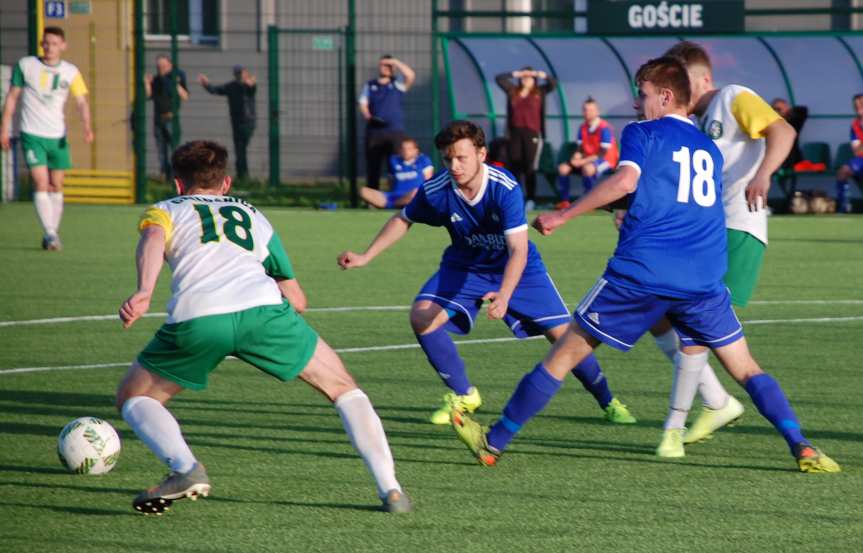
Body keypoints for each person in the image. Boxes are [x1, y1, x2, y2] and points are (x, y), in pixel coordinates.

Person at [452, 57, 840, 475]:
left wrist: (564, 215)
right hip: (703, 277)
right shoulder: (707, 147)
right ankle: (802, 447)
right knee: (747, 368)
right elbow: (668, 193)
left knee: (562, 356)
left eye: (643, 94)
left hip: (643, 272)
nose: (637, 104)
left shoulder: (642, 131)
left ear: (666, 96)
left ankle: (494, 441)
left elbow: (626, 181)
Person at [116, 140, 411, 515]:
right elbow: (297, 299)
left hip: (199, 315)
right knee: (343, 388)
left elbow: (154, 238)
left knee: (134, 397)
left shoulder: (165, 209)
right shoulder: (251, 213)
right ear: (226, 183)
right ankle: (391, 490)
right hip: (264, 310)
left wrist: (144, 291)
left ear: (177, 184)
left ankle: (185, 468)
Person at [337, 120, 635, 427]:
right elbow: (403, 218)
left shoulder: (503, 188)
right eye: (448, 158)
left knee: (564, 339)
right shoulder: (437, 189)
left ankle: (608, 401)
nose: (454, 166)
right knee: (422, 316)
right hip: (465, 265)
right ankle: (464, 394)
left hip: (518, 269)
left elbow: (518, 250)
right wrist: (365, 256)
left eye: (461, 157)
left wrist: (504, 295)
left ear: (481, 153)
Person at [641, 41, 798, 457]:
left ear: (703, 79)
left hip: (737, 228)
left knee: (695, 326)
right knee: (655, 311)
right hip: (704, 234)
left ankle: (674, 427)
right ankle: (716, 401)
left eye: (679, 82)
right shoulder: (692, 127)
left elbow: (783, 130)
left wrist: (763, 174)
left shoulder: (732, 97)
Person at [0, 26, 93, 251]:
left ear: (63, 46)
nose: (49, 47)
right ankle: (50, 233)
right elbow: (12, 97)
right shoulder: (26, 65)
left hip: (57, 135)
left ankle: (52, 230)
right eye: (46, 43)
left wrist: (87, 126)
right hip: (32, 133)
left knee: (57, 184)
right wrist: (4, 127)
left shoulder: (71, 71)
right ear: (41, 44)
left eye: (54, 43)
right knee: (41, 182)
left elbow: (81, 101)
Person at [495, 67, 556, 211]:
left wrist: (542, 75)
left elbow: (553, 84)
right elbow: (499, 78)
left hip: (532, 133)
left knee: (530, 167)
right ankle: (515, 197)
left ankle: (531, 199)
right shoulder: (513, 91)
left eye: (529, 77)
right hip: (515, 133)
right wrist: (516, 73)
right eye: (524, 77)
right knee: (515, 166)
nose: (526, 79)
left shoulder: (539, 92)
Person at [359, 55, 415, 190]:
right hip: (375, 132)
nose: (386, 68)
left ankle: (395, 194)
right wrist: (368, 116)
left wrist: (395, 61)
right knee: (373, 165)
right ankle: (372, 199)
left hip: (394, 131)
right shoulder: (370, 85)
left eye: (389, 66)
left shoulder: (397, 83)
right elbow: (363, 103)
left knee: (395, 165)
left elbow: (410, 75)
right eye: (384, 65)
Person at [556, 97, 619, 208]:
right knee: (563, 168)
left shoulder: (604, 128)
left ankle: (589, 202)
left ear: (597, 111)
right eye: (585, 109)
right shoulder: (583, 127)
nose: (587, 112)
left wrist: (581, 161)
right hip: (587, 160)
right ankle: (564, 201)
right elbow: (580, 148)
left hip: (607, 161)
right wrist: (576, 157)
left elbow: (602, 154)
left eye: (590, 110)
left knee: (587, 168)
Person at [198, 65, 257, 179]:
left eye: (241, 73)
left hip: (248, 121)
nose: (239, 75)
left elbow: (252, 89)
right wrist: (206, 84)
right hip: (236, 121)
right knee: (239, 148)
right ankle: (242, 174)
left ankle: (243, 174)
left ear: (246, 73)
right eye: (237, 73)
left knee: (241, 147)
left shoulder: (248, 86)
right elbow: (216, 90)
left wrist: (251, 84)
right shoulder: (231, 86)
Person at [145, 54, 189, 182]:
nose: (160, 69)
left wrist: (175, 83)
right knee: (161, 149)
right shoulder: (157, 80)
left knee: (174, 148)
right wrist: (147, 83)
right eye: (158, 66)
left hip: (171, 118)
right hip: (158, 119)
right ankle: (165, 174)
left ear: (169, 65)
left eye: (163, 66)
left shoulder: (176, 77)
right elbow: (149, 96)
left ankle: (175, 176)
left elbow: (185, 96)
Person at [359, 137, 432, 209]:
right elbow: (390, 181)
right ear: (399, 150)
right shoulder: (393, 160)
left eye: (409, 149)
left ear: (416, 150)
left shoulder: (423, 160)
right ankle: (396, 204)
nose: (406, 151)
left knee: (416, 193)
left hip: (413, 195)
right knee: (363, 191)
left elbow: (428, 182)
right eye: (403, 149)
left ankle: (392, 205)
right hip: (393, 196)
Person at [834, 94, 863, 213]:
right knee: (842, 172)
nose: (858, 107)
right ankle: (844, 205)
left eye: (861, 103)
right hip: (861, 158)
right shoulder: (855, 125)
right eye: (856, 105)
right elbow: (857, 150)